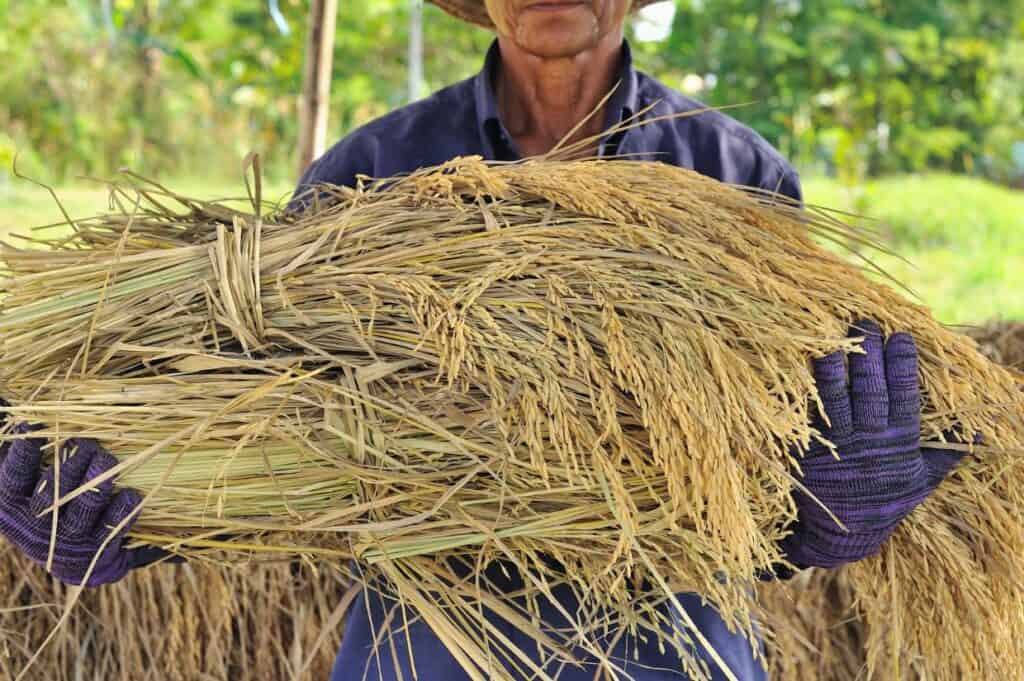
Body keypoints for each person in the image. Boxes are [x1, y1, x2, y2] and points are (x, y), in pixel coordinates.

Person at [0, 2, 964, 679]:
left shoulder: (733, 175)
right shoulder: (370, 175)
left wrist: (825, 510)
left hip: (676, 642)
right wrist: (136, 505)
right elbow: (264, 417)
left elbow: (795, 445)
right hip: (420, 647)